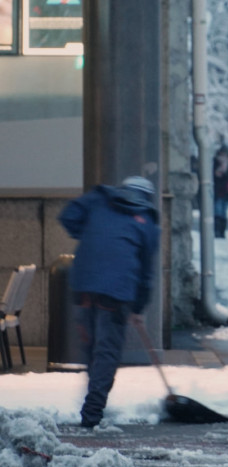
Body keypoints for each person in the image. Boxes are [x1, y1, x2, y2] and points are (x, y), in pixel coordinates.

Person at [58, 176, 160, 429]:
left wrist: (91, 233)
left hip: (83, 285)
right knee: (106, 352)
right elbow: (147, 273)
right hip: (116, 292)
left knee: (92, 347)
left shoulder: (99, 201)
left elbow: (68, 217)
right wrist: (138, 307)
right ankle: (92, 412)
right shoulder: (146, 222)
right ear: (148, 198)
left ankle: (93, 405)